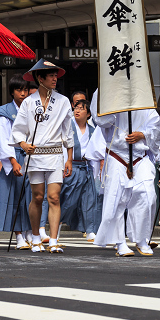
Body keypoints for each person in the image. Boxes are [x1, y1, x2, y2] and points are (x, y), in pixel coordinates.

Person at [89, 89, 160, 256]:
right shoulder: (106, 88)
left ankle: (142, 239)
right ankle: (120, 242)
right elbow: (100, 120)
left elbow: (155, 125)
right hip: (117, 153)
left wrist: (143, 134)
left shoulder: (142, 89)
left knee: (148, 196)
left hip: (139, 154)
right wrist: (116, 104)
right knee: (117, 199)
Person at [12, 59, 74, 254]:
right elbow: (19, 129)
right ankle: (37, 238)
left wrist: (69, 157)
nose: (55, 79)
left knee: (54, 197)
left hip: (55, 153)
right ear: (40, 78)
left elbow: (68, 130)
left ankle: (54, 240)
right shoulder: (29, 103)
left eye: (56, 75)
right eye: (51, 76)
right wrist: (23, 144)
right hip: (35, 154)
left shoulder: (63, 101)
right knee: (37, 197)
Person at [0, 74, 34, 249]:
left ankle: (31, 231)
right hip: (14, 157)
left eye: (25, 90)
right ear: (12, 92)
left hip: (32, 156)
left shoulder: (32, 110)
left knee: (32, 197)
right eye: (19, 90)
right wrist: (13, 162)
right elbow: (4, 141)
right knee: (16, 197)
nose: (23, 93)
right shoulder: (4, 114)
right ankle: (19, 234)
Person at [59, 97, 99, 240]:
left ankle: (90, 230)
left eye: (82, 108)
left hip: (87, 167)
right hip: (72, 166)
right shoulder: (68, 126)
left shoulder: (93, 130)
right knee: (69, 201)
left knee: (89, 200)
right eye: (76, 108)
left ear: (88, 114)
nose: (77, 110)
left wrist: (96, 172)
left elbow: (96, 152)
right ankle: (56, 226)